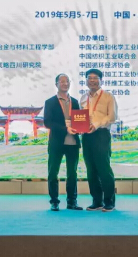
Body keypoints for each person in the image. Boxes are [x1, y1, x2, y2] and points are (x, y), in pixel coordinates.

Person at [43, 73, 83, 211]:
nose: (65, 83)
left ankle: (72, 202)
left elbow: (79, 121)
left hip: (73, 142)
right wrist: (66, 128)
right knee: (53, 172)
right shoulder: (50, 102)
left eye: (67, 81)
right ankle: (54, 201)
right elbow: (47, 122)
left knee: (72, 173)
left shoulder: (75, 102)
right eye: (62, 81)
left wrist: (81, 128)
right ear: (56, 84)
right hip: (56, 143)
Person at [80, 69, 118, 212]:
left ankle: (109, 201)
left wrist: (96, 125)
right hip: (86, 136)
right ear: (86, 81)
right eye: (89, 78)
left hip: (101, 134)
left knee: (104, 168)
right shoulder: (83, 98)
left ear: (101, 80)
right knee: (91, 170)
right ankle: (97, 201)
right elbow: (81, 117)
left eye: (95, 78)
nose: (92, 80)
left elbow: (112, 117)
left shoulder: (108, 96)